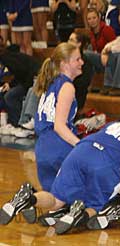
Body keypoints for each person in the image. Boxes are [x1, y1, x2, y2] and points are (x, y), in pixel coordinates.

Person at [0, 115, 120, 235]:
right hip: (106, 162)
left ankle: (29, 197)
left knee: (56, 201)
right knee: (98, 206)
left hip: (82, 149)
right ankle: (79, 213)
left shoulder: (118, 124)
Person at [33, 42, 83, 192]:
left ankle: (30, 198)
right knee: (83, 191)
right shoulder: (67, 86)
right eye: (77, 59)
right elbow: (59, 126)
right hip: (59, 146)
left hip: (42, 147)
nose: (82, 62)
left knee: (53, 200)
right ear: (64, 64)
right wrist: (80, 145)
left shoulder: (50, 82)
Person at [0, 44, 40, 134]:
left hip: (34, 77)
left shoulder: (7, 59)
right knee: (9, 95)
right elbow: (20, 73)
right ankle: (17, 123)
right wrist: (10, 84)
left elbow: (24, 71)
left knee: (10, 96)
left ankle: (20, 123)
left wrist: (25, 86)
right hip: (28, 79)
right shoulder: (7, 57)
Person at [85, 8, 116, 74]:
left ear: (99, 18)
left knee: (86, 54)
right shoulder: (91, 33)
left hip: (107, 58)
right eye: (89, 19)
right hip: (98, 57)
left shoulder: (107, 29)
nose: (92, 21)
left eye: (94, 18)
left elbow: (115, 46)